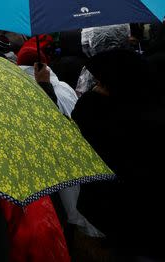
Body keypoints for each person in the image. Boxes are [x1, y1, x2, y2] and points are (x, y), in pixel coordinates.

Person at [71, 49, 165, 259]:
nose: (95, 87)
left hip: (113, 212)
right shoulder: (153, 108)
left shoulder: (95, 111)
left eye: (101, 83)